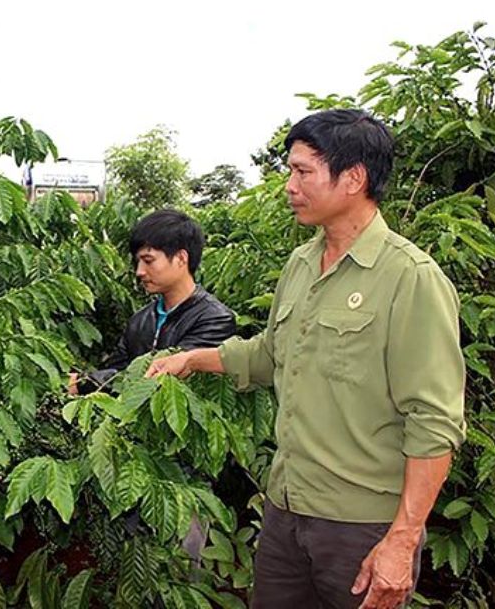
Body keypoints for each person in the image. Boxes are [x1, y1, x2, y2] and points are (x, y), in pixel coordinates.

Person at [146, 110, 465, 609]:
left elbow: (434, 420)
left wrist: (402, 540)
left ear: (353, 178)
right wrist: (190, 360)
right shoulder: (300, 264)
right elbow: (271, 353)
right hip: (286, 511)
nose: (289, 186)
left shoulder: (410, 278)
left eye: (302, 171)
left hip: (361, 527)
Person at [69, 209, 236, 394]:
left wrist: (80, 383)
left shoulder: (216, 319)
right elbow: (115, 373)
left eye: (148, 261)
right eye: (138, 262)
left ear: (181, 258)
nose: (139, 271)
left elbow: (162, 374)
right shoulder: (140, 320)